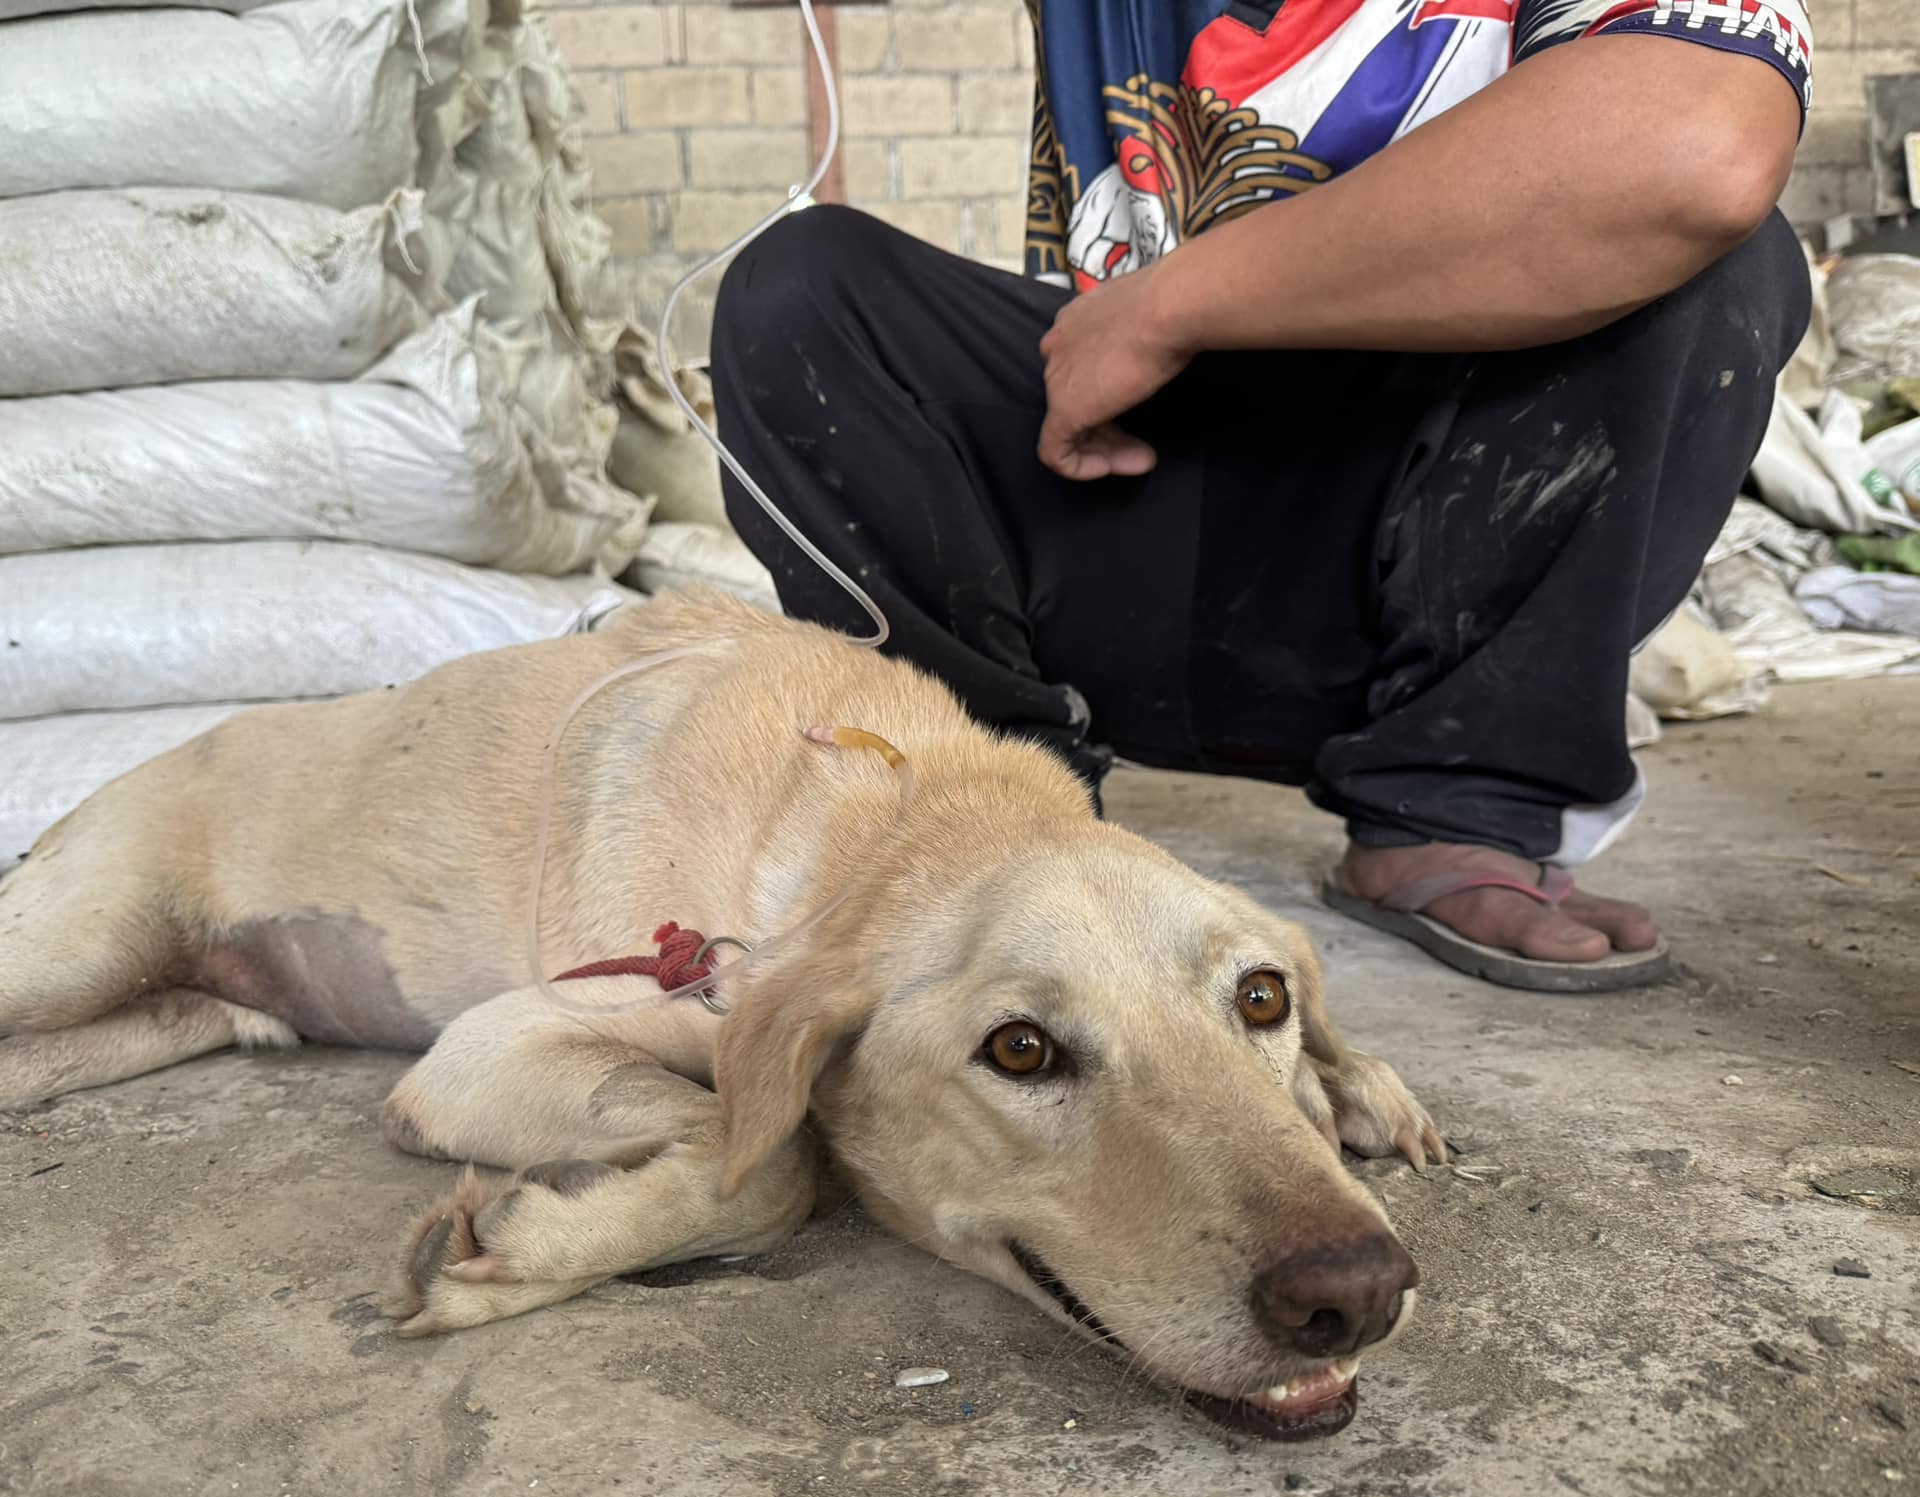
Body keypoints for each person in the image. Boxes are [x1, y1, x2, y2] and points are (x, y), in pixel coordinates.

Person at [709, 0, 1812, 992]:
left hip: (1441, 542)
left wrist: (1162, 308)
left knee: (1714, 261)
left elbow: (1694, 146)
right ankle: (1000, 807)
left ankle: (1451, 804)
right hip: (1116, 496)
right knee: (801, 288)